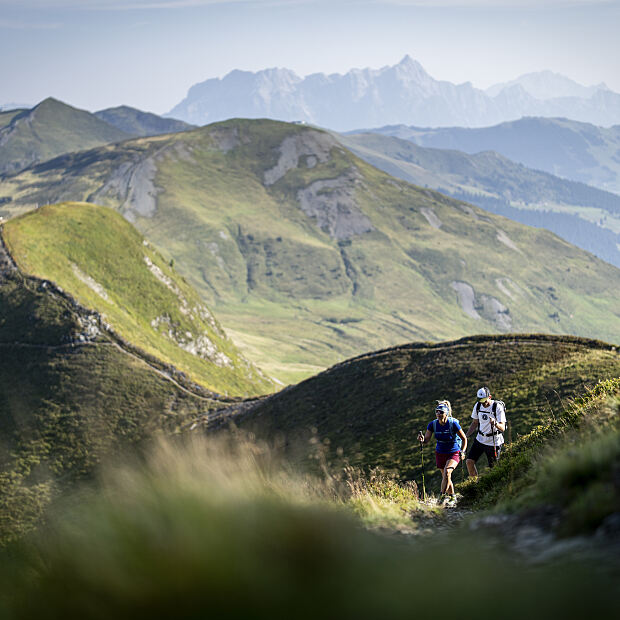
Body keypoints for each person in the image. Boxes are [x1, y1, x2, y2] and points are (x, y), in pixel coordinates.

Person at [418, 400, 467, 506]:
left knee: (447, 472)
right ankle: (453, 497)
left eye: (441, 412)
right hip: (440, 453)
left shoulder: (453, 424)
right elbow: (426, 440)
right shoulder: (433, 424)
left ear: (446, 413)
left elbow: (464, 439)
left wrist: (463, 451)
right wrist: (422, 440)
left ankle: (441, 497)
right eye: (437, 412)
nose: (438, 414)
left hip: (454, 452)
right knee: (446, 476)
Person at [465, 387, 506, 478]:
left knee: (494, 468)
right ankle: (475, 485)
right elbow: (475, 423)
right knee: (469, 462)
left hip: (493, 442)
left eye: (484, 400)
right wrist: (466, 436)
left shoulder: (497, 407)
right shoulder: (478, 405)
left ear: (490, 397)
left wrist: (495, 423)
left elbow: (502, 428)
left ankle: (495, 487)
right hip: (480, 439)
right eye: (480, 400)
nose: (483, 403)